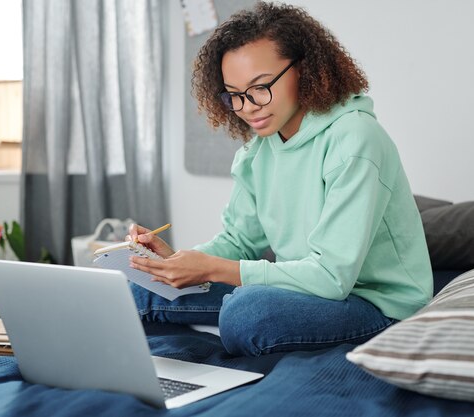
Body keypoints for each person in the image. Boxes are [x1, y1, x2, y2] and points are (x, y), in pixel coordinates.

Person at [127, 2, 433, 357]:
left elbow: (332, 278)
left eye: (260, 87)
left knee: (247, 313)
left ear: (304, 69)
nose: (248, 107)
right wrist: (177, 260)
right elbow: (238, 242)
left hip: (375, 304)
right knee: (142, 289)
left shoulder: (357, 140)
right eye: (236, 96)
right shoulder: (259, 151)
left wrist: (213, 269)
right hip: (305, 289)